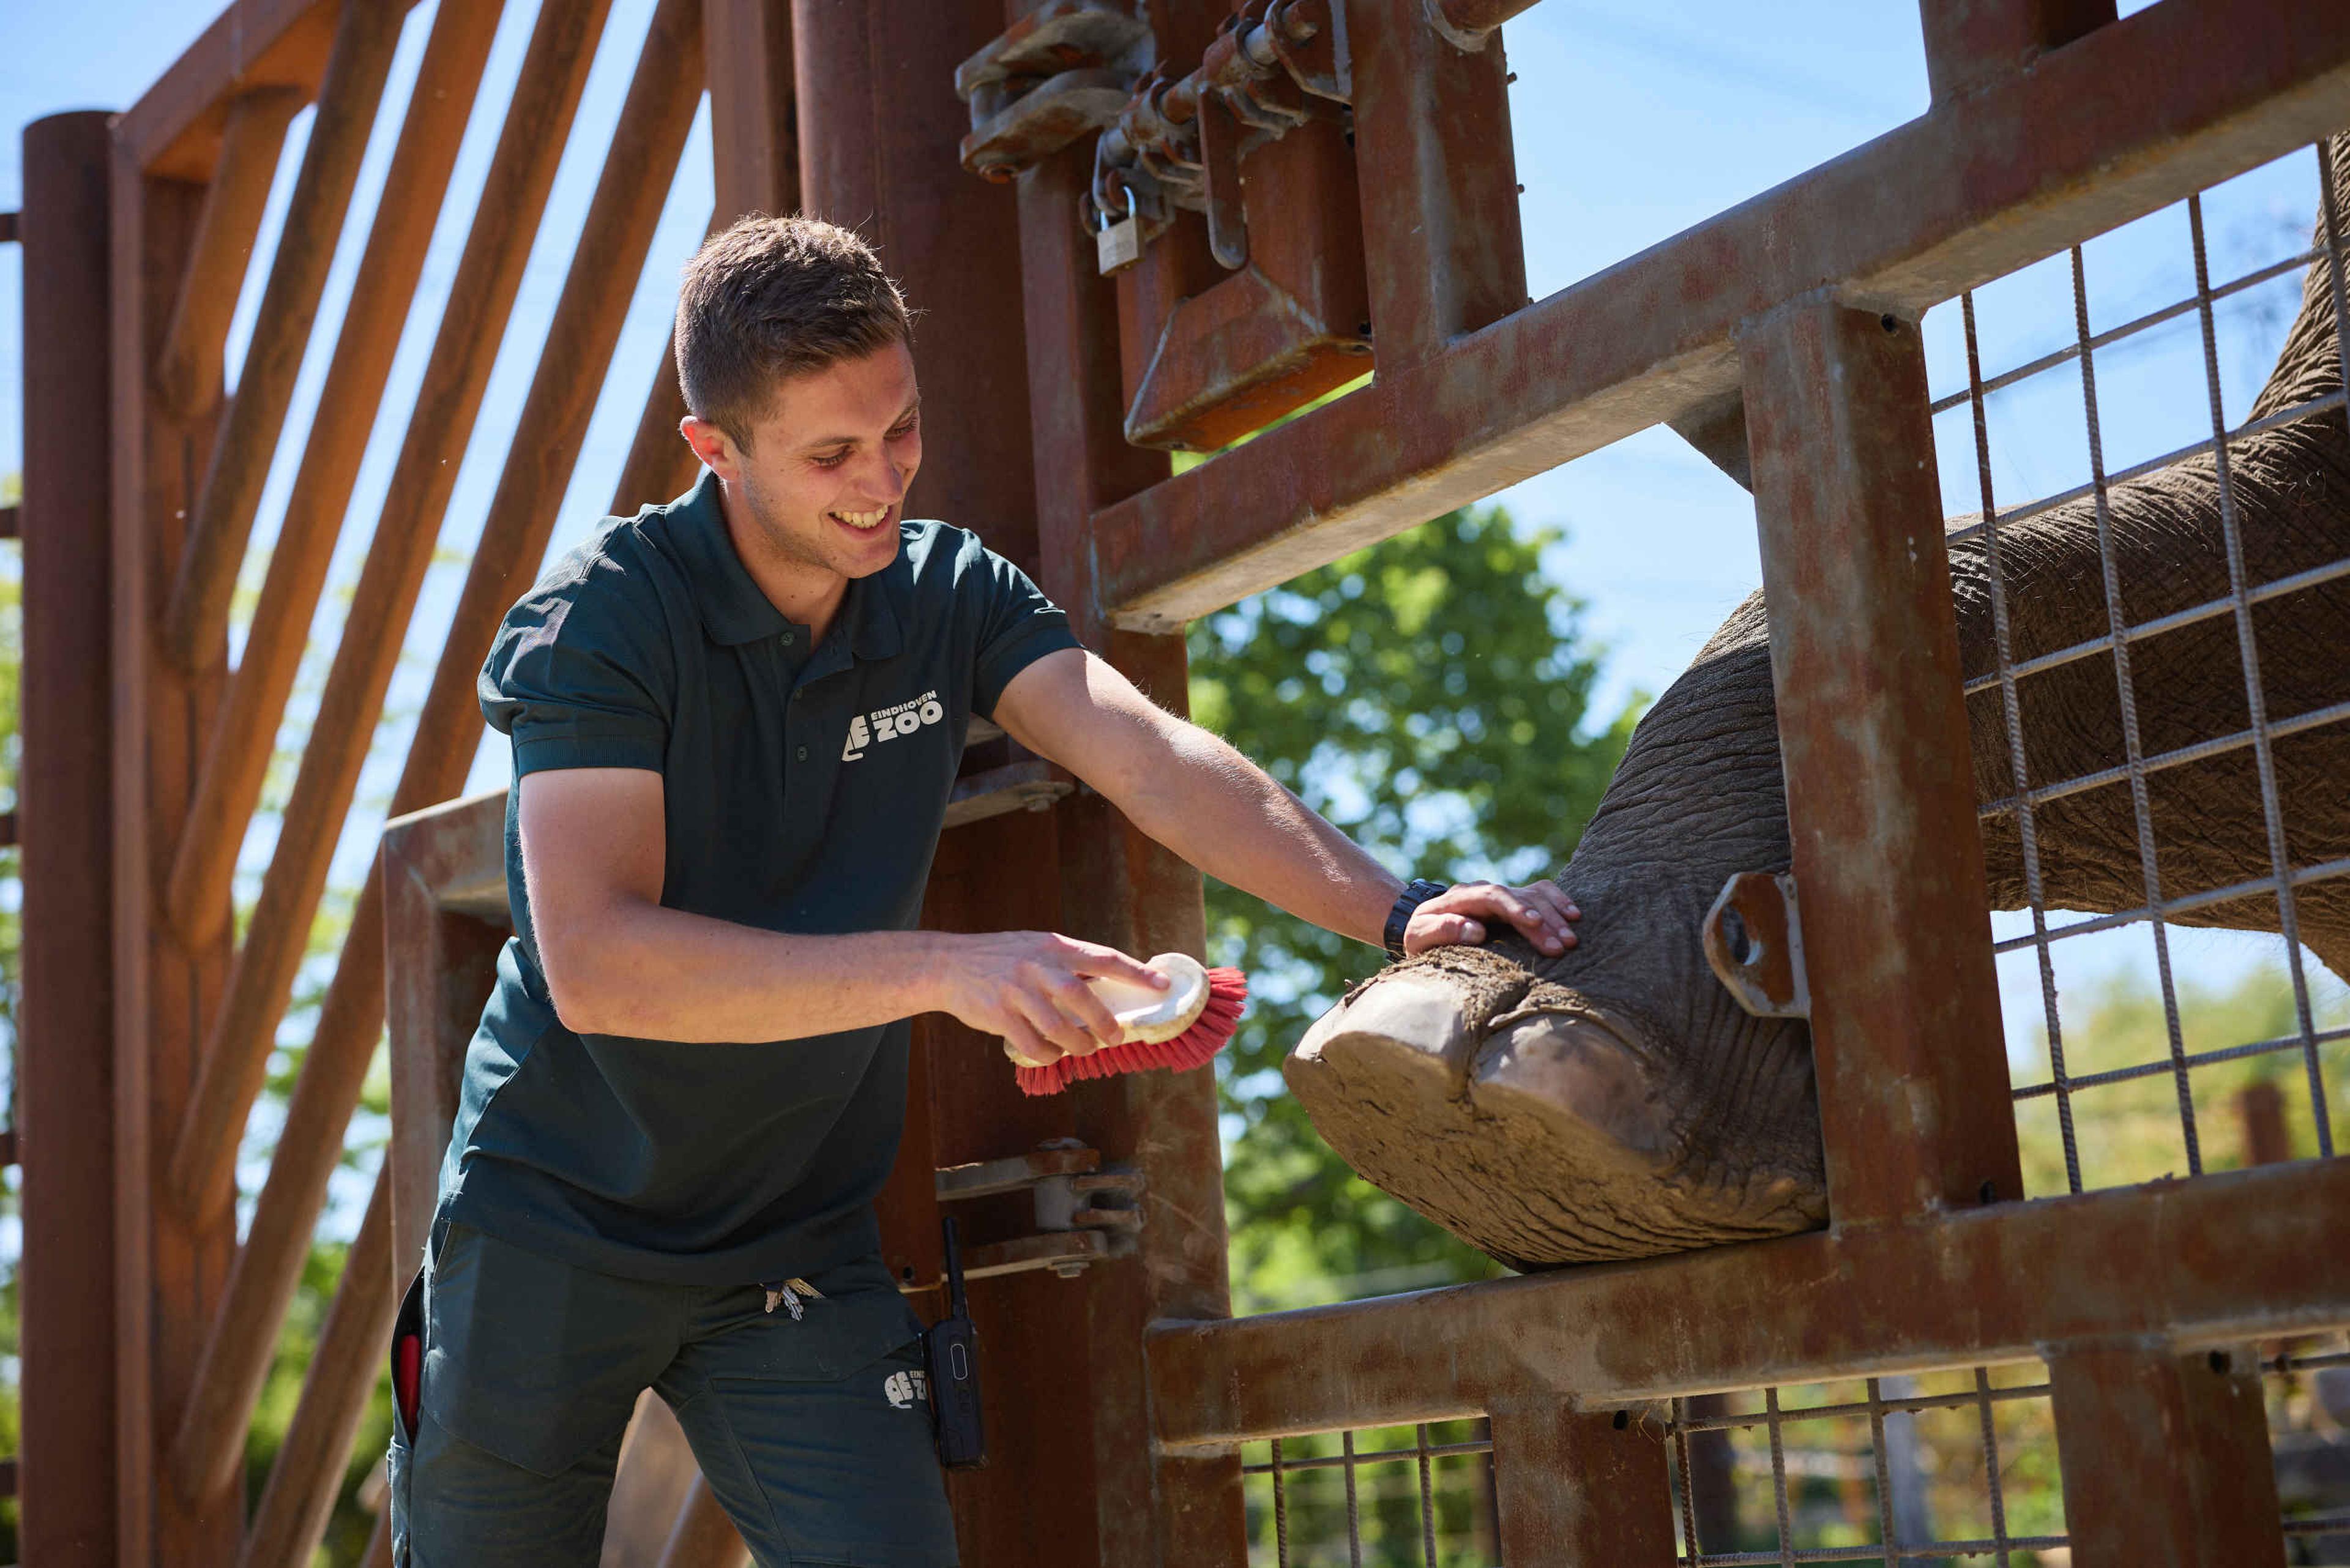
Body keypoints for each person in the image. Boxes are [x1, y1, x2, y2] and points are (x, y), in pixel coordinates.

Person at [385, 214, 1580, 1566]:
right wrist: (950, 968)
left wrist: (1395, 903)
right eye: (830, 455)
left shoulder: (948, 592)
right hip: (555, 1222)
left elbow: (1153, 758)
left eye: (900, 430)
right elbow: (600, 964)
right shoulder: (601, 616)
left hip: (793, 1237)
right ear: (712, 450)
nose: (881, 480)